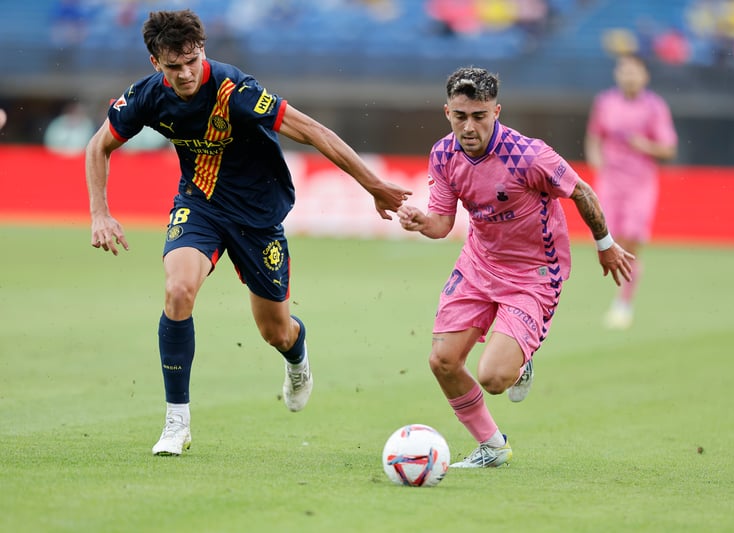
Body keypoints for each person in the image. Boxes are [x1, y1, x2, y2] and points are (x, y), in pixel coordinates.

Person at [85, 9, 412, 456]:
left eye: (192, 61)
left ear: (203, 51)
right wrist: (100, 213)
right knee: (178, 291)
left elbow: (312, 131)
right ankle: (176, 422)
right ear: (155, 63)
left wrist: (373, 185)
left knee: (276, 332)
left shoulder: (234, 90)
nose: (185, 73)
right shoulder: (146, 96)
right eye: (174, 66)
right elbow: (98, 145)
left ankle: (297, 357)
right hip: (199, 206)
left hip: (258, 217)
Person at [398, 67, 634, 468]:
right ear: (447, 112)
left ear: (496, 111)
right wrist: (422, 222)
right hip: (478, 264)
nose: (469, 127)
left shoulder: (528, 155)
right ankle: (492, 447)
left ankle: (519, 359)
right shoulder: (443, 154)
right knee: (442, 361)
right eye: (460, 116)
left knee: (493, 378)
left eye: (479, 116)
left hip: (533, 274)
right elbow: (441, 224)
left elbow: (582, 192)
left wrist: (605, 244)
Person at [584, 53, 678, 329]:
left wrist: (644, 145)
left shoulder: (654, 107)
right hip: (610, 180)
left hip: (640, 182)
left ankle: (623, 303)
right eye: (624, 71)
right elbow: (594, 135)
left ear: (645, 76)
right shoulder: (605, 102)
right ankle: (619, 294)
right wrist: (596, 159)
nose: (629, 76)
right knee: (608, 239)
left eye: (634, 71)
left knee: (632, 240)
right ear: (617, 74)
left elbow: (669, 148)